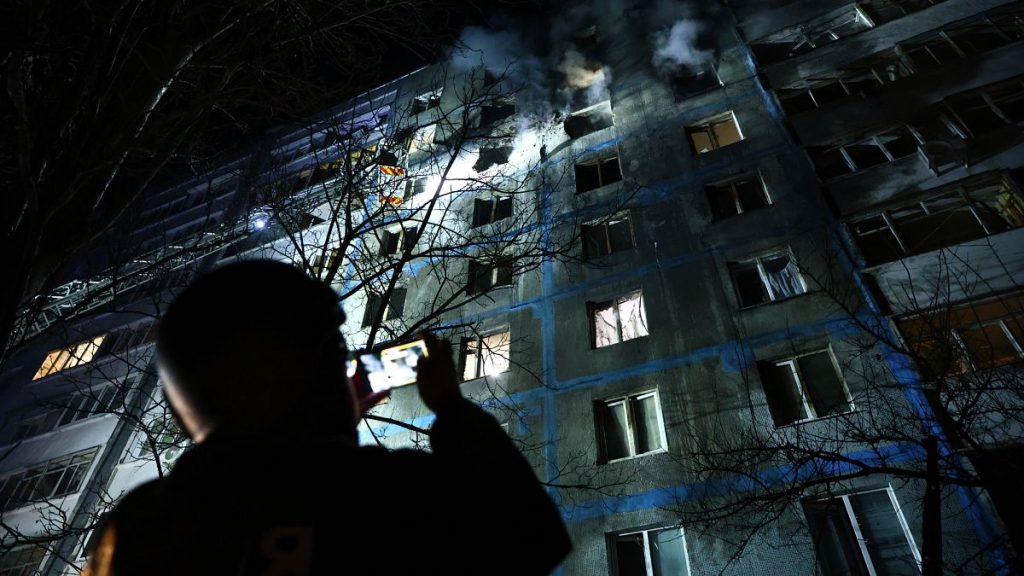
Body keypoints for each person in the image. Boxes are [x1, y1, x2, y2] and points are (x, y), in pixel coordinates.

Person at [84, 260, 571, 575]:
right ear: (304, 370)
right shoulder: (380, 493)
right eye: (334, 357)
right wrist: (449, 407)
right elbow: (529, 536)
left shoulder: (136, 528)